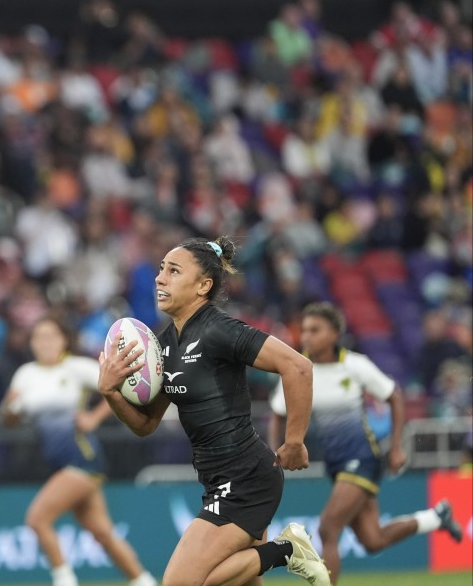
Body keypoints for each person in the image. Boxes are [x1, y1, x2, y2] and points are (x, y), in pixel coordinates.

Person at [98, 236, 331, 586]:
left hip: (245, 478)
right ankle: (281, 552)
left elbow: (298, 367)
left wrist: (294, 440)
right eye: (161, 270)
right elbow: (146, 425)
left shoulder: (218, 329)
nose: (160, 278)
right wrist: (110, 392)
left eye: (173, 271)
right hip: (216, 479)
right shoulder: (164, 345)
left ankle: (287, 550)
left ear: (203, 285)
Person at [268, 302, 463, 584]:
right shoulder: (299, 369)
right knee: (373, 540)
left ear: (335, 333)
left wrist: (396, 447)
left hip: (362, 456)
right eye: (305, 330)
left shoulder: (355, 365)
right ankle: (436, 518)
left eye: (315, 330)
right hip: (336, 463)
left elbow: (394, 396)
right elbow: (277, 412)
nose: (307, 336)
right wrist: (278, 449)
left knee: (327, 528)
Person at [1, 315, 157, 586]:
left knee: (37, 519)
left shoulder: (76, 368)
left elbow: (118, 385)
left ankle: (64, 580)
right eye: (39, 337)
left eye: (51, 336)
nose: (45, 342)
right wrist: (9, 408)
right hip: (58, 463)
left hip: (81, 457)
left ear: (64, 340)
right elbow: (8, 420)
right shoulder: (25, 374)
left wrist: (93, 419)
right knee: (102, 533)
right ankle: (143, 580)